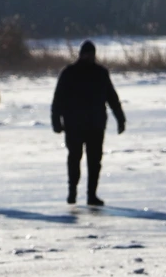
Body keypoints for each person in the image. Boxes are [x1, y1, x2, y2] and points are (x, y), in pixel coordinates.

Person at [50, 40, 125, 206]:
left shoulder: (100, 73)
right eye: (87, 54)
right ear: (81, 54)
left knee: (94, 161)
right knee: (74, 158)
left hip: (95, 125)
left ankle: (92, 195)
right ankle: (72, 192)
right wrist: (56, 121)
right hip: (74, 125)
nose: (90, 57)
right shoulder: (69, 73)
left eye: (92, 54)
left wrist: (120, 118)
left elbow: (112, 97)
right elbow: (58, 99)